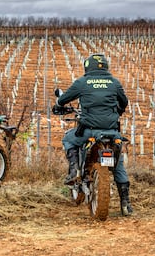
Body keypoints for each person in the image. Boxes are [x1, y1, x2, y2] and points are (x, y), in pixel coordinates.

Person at [54, 53, 133, 216]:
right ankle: (125, 204)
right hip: (112, 131)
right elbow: (124, 103)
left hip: (89, 130)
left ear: (87, 66)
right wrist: (116, 110)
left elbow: (63, 100)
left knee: (68, 140)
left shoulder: (83, 82)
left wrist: (59, 103)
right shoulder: (114, 82)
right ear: (105, 66)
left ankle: (74, 170)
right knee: (118, 164)